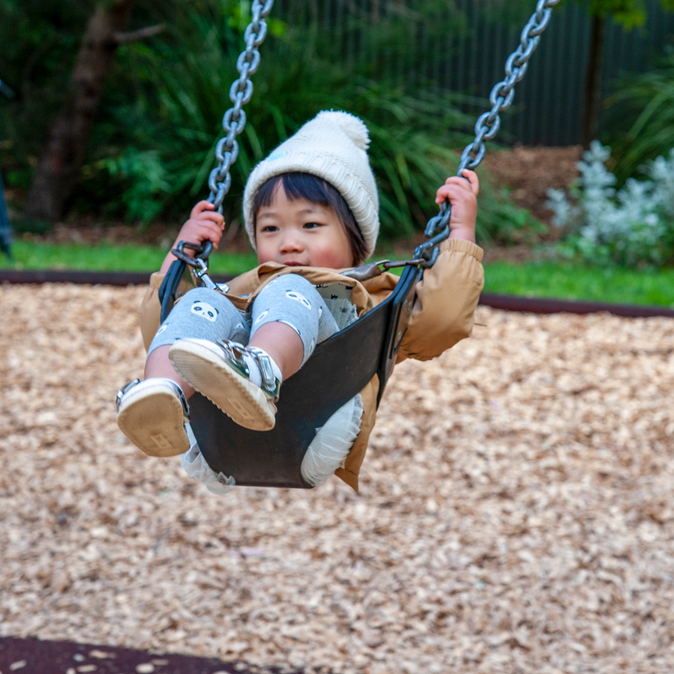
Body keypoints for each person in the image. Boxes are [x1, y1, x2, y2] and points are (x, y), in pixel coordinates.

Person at [116, 110, 484, 491]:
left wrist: (460, 232)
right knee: (202, 304)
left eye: (310, 225)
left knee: (287, 288)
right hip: (215, 444)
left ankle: (260, 371)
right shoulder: (242, 293)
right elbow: (164, 324)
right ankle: (159, 396)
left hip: (317, 427)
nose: (289, 241)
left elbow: (442, 321)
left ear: (355, 241)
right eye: (271, 228)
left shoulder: (375, 301)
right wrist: (179, 257)